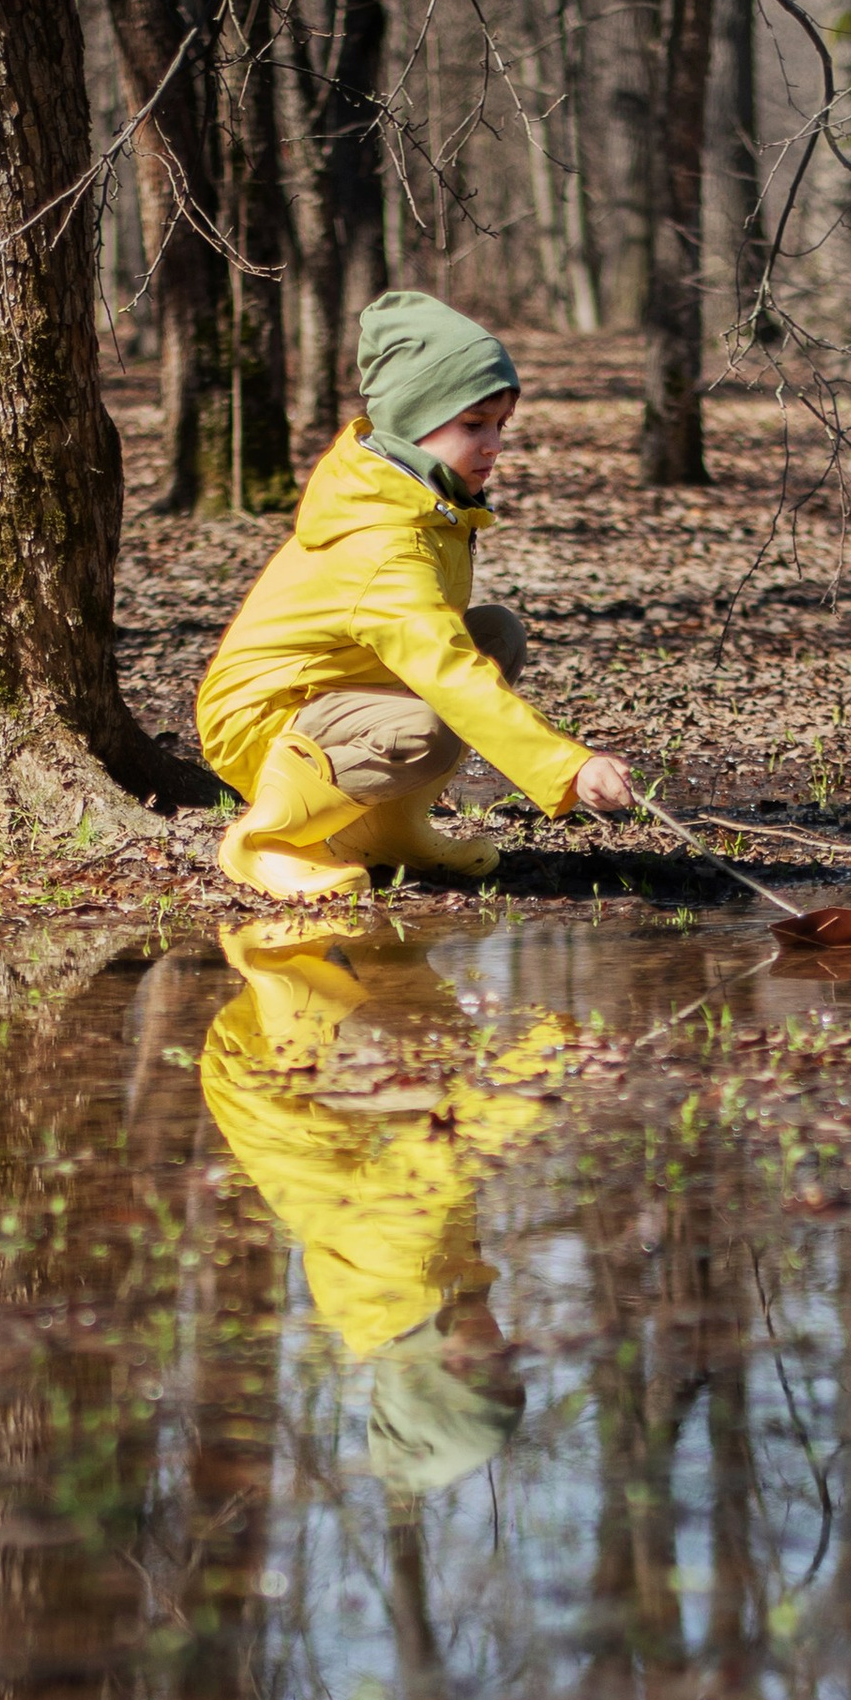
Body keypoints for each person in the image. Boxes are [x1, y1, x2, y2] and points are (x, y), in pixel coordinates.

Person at [195, 290, 638, 899]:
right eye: (473, 425)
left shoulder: (427, 502)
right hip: (263, 718)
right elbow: (448, 673)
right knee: (427, 724)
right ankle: (271, 839)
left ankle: (388, 827)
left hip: (331, 694)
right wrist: (568, 765)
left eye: (500, 426)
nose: (494, 447)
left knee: (494, 634)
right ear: (413, 422)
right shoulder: (385, 542)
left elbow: (453, 648)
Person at [197, 916, 563, 1501]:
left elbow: (443, 1154)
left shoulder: (397, 1279)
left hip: (269, 1068)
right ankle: (383, 940)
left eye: (485, 1372)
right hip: (317, 1092)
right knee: (455, 1066)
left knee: (442, 1070)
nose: (504, 1349)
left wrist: (543, 1065)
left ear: (431, 1377)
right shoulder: (417, 1303)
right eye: (509, 1372)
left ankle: (293, 950)